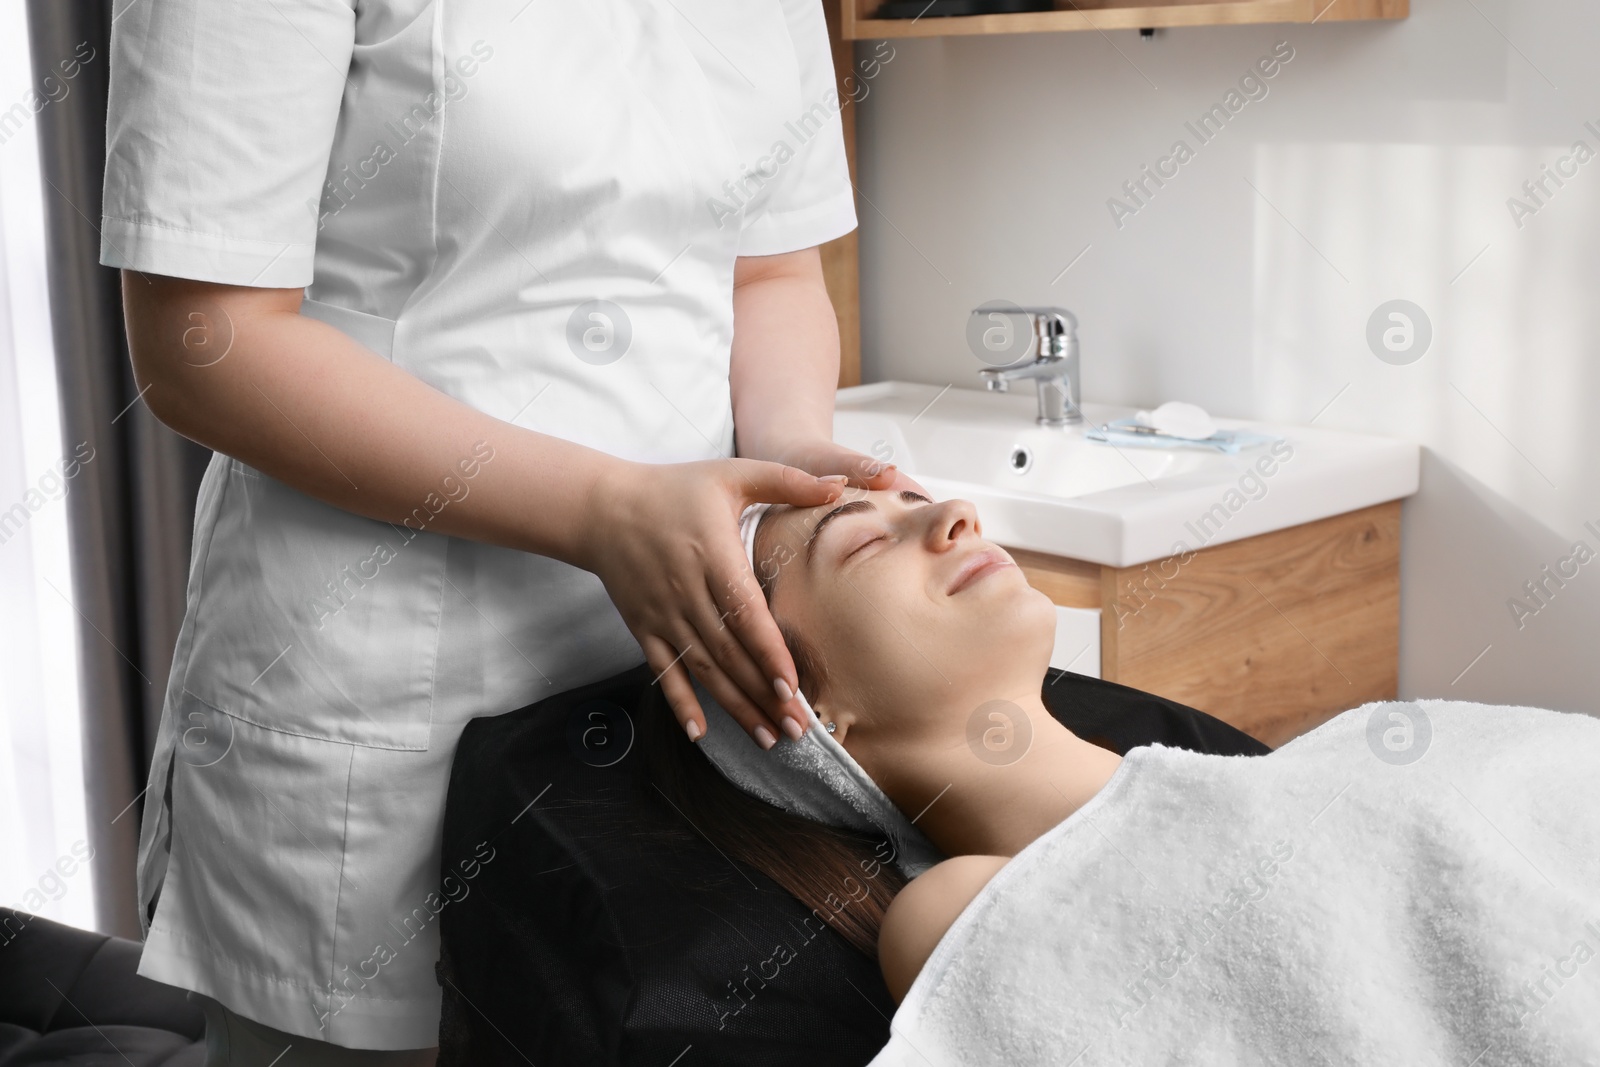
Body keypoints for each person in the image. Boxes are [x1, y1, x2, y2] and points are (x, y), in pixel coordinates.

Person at [100, 1, 916, 1061]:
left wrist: (795, 448)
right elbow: (203, 341)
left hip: (675, 714)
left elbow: (768, 272)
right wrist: (602, 509)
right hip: (380, 697)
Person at [644, 488, 1600, 1063]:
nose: (952, 513)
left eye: (914, 498)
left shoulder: (1328, 759)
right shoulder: (950, 904)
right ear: (806, 715)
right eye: (862, 540)